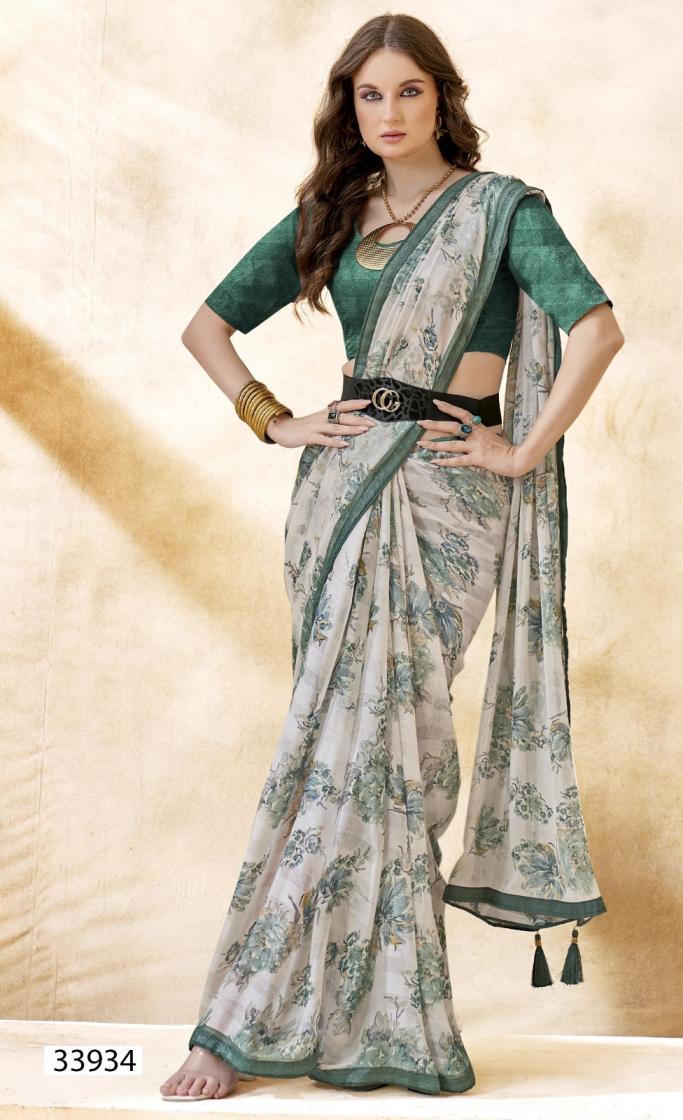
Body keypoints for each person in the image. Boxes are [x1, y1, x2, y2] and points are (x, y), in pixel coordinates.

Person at [160, 11, 624, 1103]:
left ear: (441, 97)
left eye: (407, 91)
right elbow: (206, 328)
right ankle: (245, 1023)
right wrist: (274, 420)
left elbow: (597, 329)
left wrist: (520, 450)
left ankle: (381, 1018)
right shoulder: (331, 214)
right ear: (349, 108)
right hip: (341, 493)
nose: (388, 112)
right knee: (331, 744)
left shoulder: (502, 210)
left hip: (447, 495)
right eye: (368, 95)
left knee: (396, 747)